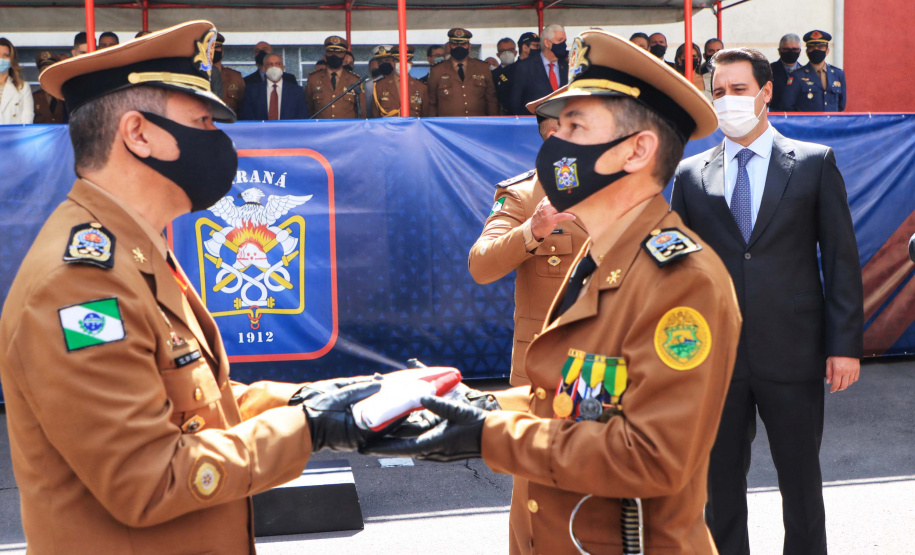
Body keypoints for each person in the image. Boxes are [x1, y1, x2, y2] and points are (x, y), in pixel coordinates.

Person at [0, 20, 401, 553]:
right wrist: (311, 427)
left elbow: (194, 407)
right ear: (137, 133)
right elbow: (148, 479)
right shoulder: (77, 285)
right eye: (204, 122)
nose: (218, 141)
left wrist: (318, 400)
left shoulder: (135, 250)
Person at [365, 30, 742, 555]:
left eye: (575, 126)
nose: (556, 142)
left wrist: (485, 433)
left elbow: (650, 457)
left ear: (638, 150)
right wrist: (469, 405)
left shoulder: (683, 280)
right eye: (555, 126)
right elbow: (572, 401)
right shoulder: (599, 258)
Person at [671, 47, 863, 555]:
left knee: (801, 485)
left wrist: (845, 346)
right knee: (719, 490)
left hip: (793, 353)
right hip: (716, 360)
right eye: (718, 92)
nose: (727, 100)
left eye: (737, 90)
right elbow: (675, 274)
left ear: (765, 93)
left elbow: (841, 259)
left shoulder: (813, 164)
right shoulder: (690, 175)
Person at [468, 101, 587, 385]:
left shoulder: (625, 189)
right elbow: (480, 265)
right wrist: (532, 230)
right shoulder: (522, 195)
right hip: (549, 372)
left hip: (617, 363)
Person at [427, 28, 498, 117]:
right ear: (449, 46)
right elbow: (431, 104)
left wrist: (493, 125)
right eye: (455, 44)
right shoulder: (437, 70)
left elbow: (491, 101)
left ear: (469, 46)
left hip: (477, 125)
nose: (459, 47)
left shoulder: (482, 68)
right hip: (447, 127)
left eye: (463, 44)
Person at [509, 24, 568, 116]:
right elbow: (516, 102)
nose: (563, 44)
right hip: (534, 125)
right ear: (547, 43)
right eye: (560, 40)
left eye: (565, 41)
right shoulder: (525, 67)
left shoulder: (567, 66)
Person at [783, 30, 846, 112]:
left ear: (827, 51)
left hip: (831, 124)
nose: (816, 50)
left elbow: (841, 105)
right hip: (806, 124)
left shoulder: (838, 74)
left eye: (820, 47)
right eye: (811, 47)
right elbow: (787, 106)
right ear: (807, 52)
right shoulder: (797, 76)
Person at [305, 35, 366, 119]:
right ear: (325, 55)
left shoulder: (354, 80)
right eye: (330, 52)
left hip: (347, 130)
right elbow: (308, 109)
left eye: (339, 53)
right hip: (322, 130)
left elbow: (361, 111)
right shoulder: (314, 79)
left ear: (345, 56)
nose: (334, 56)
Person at [239, 52, 308, 120]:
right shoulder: (252, 91)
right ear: (264, 69)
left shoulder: (297, 92)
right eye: (270, 64)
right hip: (261, 130)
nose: (274, 67)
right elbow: (247, 117)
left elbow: (302, 118)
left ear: (283, 68)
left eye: (277, 64)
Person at [370, 45, 430, 118]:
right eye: (399, 61)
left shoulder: (421, 87)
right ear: (393, 63)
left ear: (411, 64)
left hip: (412, 128)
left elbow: (425, 116)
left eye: (407, 61)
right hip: (388, 128)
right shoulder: (379, 86)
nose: (403, 64)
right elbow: (375, 116)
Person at [0, 38, 34, 125]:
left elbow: (28, 116)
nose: (1, 59)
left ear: (11, 59)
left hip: (15, 137)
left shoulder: (22, 86)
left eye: (5, 55)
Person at [769, 33, 802, 111]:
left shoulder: (806, 73)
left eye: (794, 49)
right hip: (775, 117)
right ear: (779, 51)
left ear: (800, 51)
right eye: (786, 49)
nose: (791, 52)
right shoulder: (769, 71)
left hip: (799, 118)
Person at [214, 33, 245, 113]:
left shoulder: (235, 77)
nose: (213, 51)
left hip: (230, 123)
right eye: (210, 49)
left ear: (222, 52)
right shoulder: (198, 76)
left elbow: (243, 105)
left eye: (216, 48)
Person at [32, 51, 66, 124]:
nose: (46, 75)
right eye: (44, 71)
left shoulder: (64, 96)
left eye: (49, 71)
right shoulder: (34, 98)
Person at [492, 37, 518, 114]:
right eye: (503, 51)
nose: (507, 53)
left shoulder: (523, 70)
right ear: (498, 54)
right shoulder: (493, 74)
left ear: (515, 53)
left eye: (510, 50)